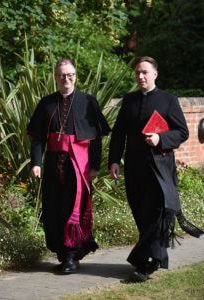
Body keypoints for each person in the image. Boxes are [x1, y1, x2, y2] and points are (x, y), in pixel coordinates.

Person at [108, 56, 203, 282]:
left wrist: (160, 138)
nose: (140, 76)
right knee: (141, 213)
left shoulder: (168, 100)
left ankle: (147, 262)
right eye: (137, 73)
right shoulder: (129, 101)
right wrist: (113, 161)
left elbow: (182, 132)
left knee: (157, 213)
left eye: (145, 72)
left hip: (159, 169)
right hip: (134, 167)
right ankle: (152, 257)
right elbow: (119, 134)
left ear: (155, 74)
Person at [27, 59, 110, 274]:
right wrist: (36, 163)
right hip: (54, 163)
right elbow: (37, 138)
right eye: (62, 75)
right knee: (54, 208)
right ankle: (63, 254)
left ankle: (72, 256)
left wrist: (94, 166)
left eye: (70, 74)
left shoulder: (88, 101)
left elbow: (96, 138)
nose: (66, 78)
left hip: (78, 165)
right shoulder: (46, 103)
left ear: (75, 76)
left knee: (72, 208)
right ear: (56, 77)